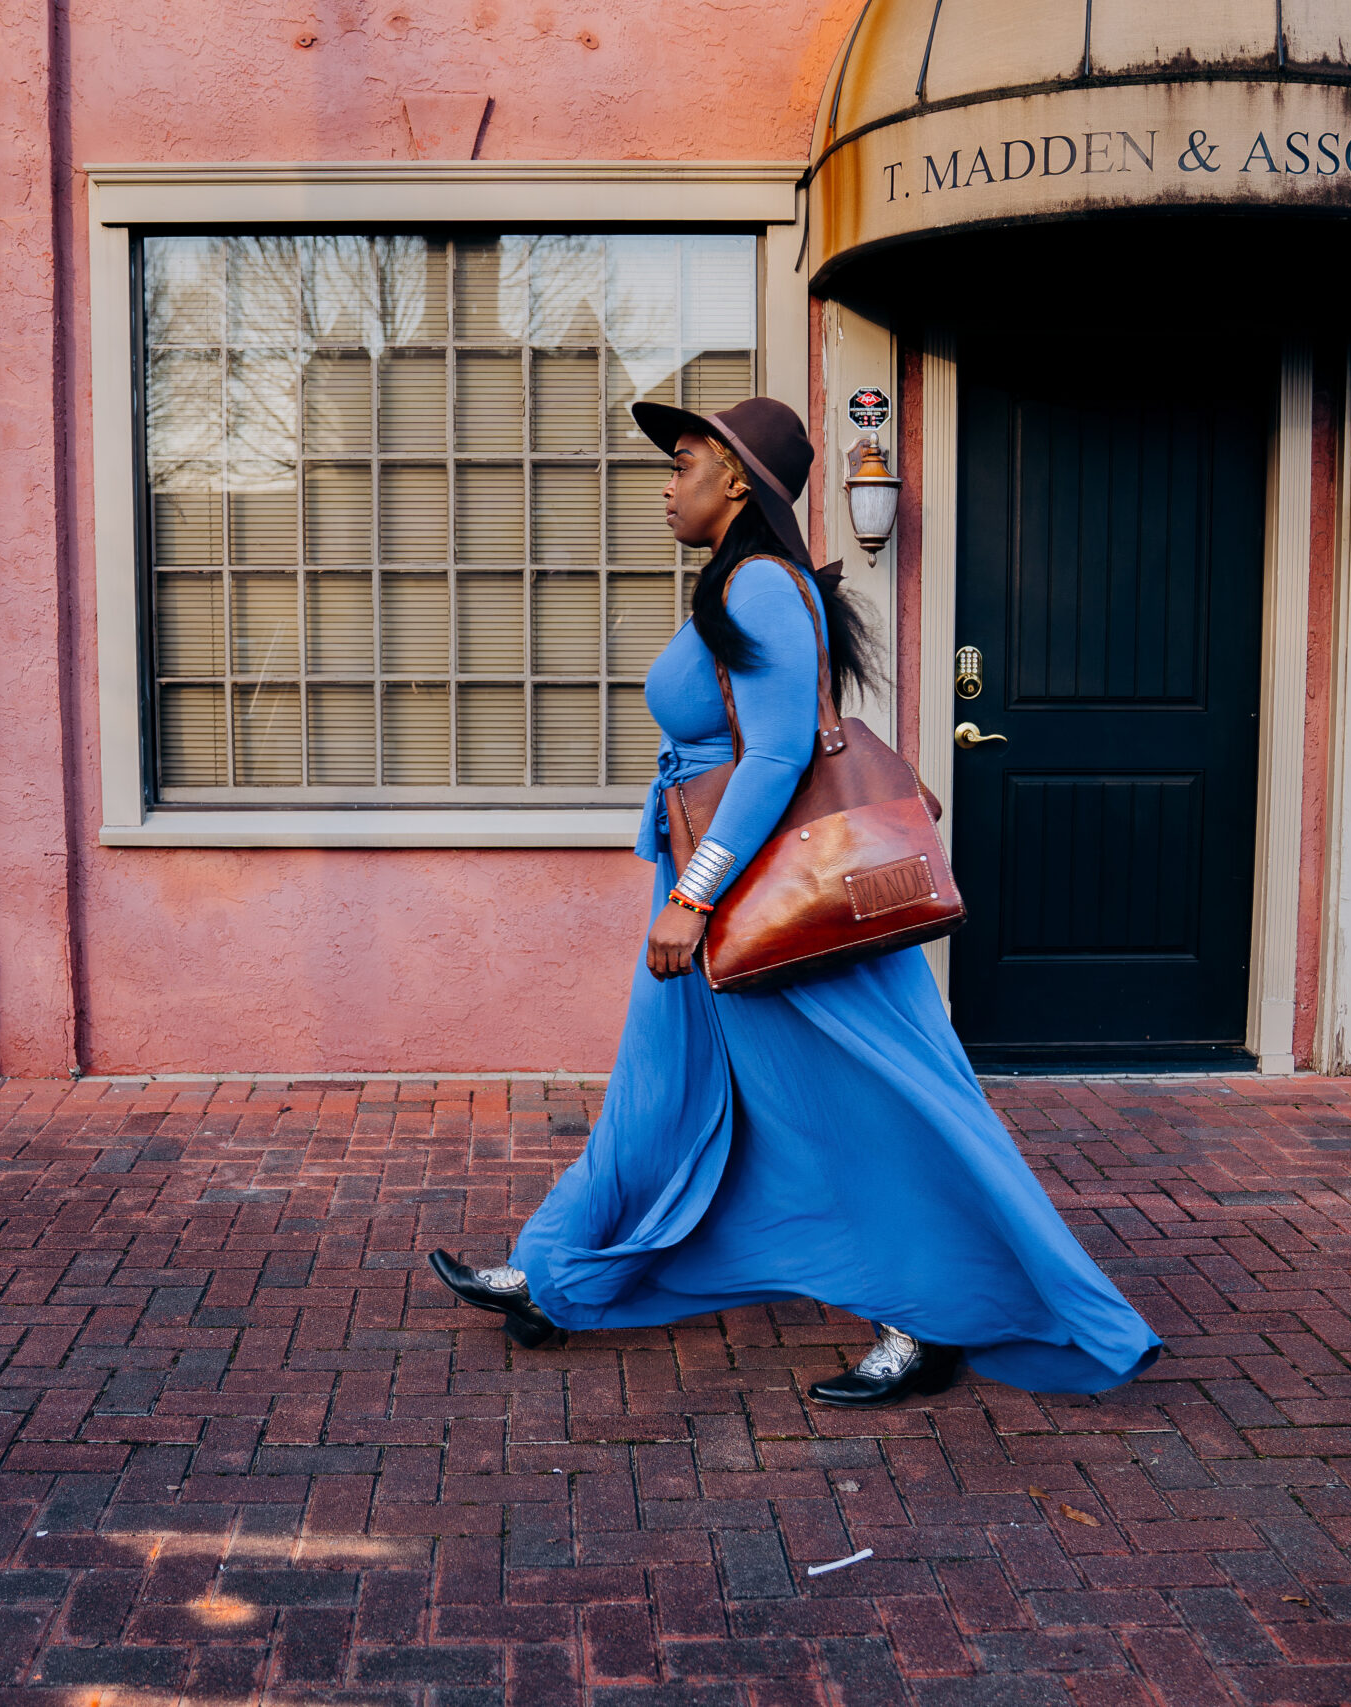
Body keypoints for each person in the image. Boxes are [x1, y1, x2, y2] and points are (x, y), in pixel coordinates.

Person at [430, 395, 1161, 1407]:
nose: (666, 482)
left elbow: (775, 757)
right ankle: (557, 1275)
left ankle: (929, 1316)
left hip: (766, 897)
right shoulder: (741, 583)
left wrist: (691, 896)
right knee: (659, 1092)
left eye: (682, 463)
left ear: (736, 479)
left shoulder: (765, 587)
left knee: (870, 1107)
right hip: (728, 882)